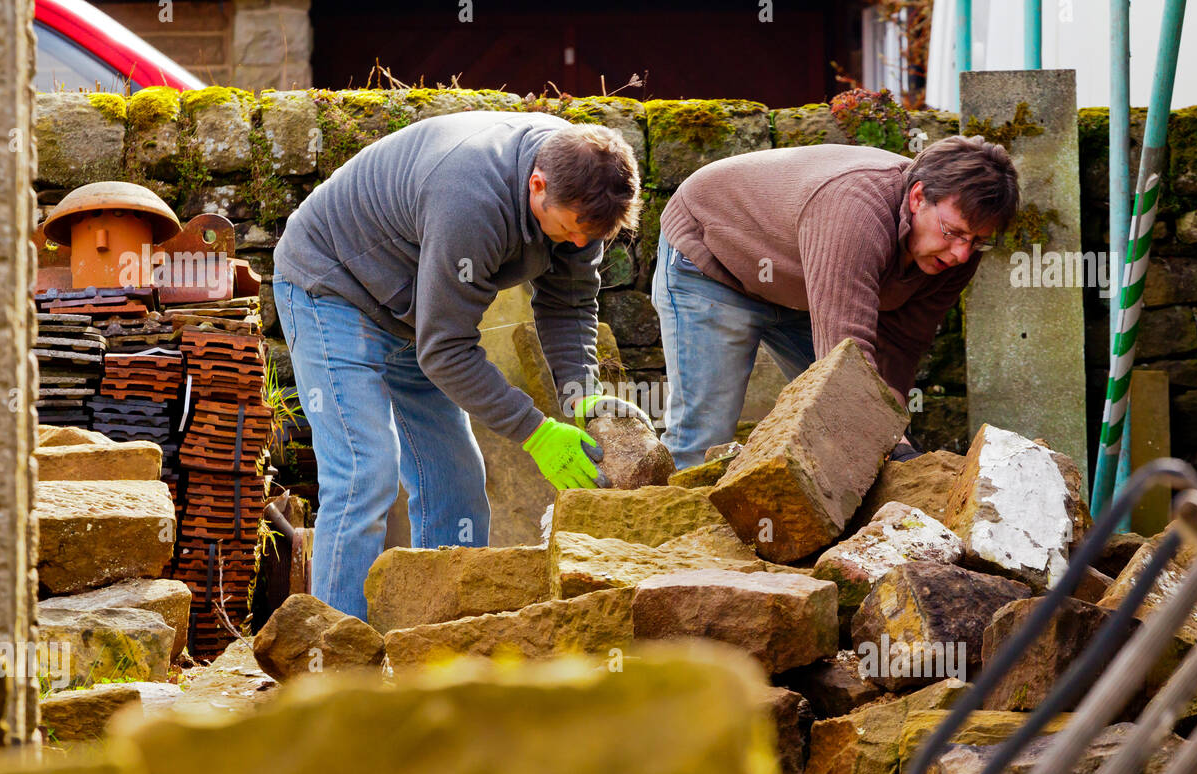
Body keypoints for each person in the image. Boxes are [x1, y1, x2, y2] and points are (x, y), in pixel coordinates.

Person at [271, 111, 642, 618]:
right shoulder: (472, 197)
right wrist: (535, 431)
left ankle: (438, 641)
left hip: (416, 311)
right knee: (365, 472)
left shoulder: (583, 191)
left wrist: (582, 397)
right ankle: (331, 662)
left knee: (456, 478)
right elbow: (445, 349)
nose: (579, 245)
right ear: (537, 186)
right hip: (333, 286)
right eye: (571, 231)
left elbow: (569, 304)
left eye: (590, 238)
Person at [652, 134, 1020, 469]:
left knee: (847, 427)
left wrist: (894, 444)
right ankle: (670, 538)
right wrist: (894, 446)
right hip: (713, 258)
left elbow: (900, 346)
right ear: (918, 197)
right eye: (953, 232)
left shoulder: (957, 252)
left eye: (977, 240)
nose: (960, 253)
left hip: (802, 284)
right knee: (703, 437)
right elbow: (844, 358)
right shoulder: (855, 212)